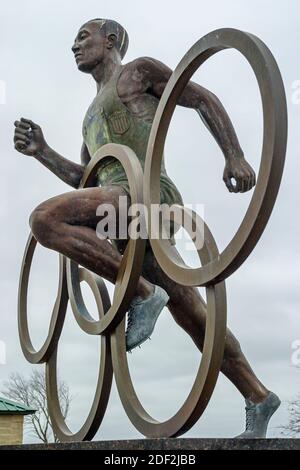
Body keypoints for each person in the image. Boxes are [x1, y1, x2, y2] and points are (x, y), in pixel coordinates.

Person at [14, 18, 280, 438]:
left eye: (83, 37)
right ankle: (258, 395)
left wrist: (234, 155)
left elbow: (201, 98)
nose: (74, 46)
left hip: (146, 197)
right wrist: (43, 152)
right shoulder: (89, 117)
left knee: (45, 219)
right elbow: (88, 179)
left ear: (111, 40)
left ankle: (139, 291)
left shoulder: (137, 72)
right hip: (116, 214)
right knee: (190, 311)